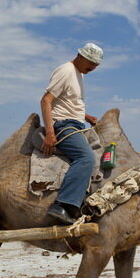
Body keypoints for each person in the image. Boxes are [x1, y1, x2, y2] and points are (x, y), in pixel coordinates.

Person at [40, 42, 103, 224]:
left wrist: (87, 116)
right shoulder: (66, 70)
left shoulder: (79, 74)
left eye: (96, 64)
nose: (93, 67)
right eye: (91, 62)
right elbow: (46, 100)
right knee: (86, 158)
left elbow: (68, 102)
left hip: (76, 124)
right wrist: (51, 133)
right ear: (80, 56)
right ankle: (62, 204)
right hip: (64, 126)